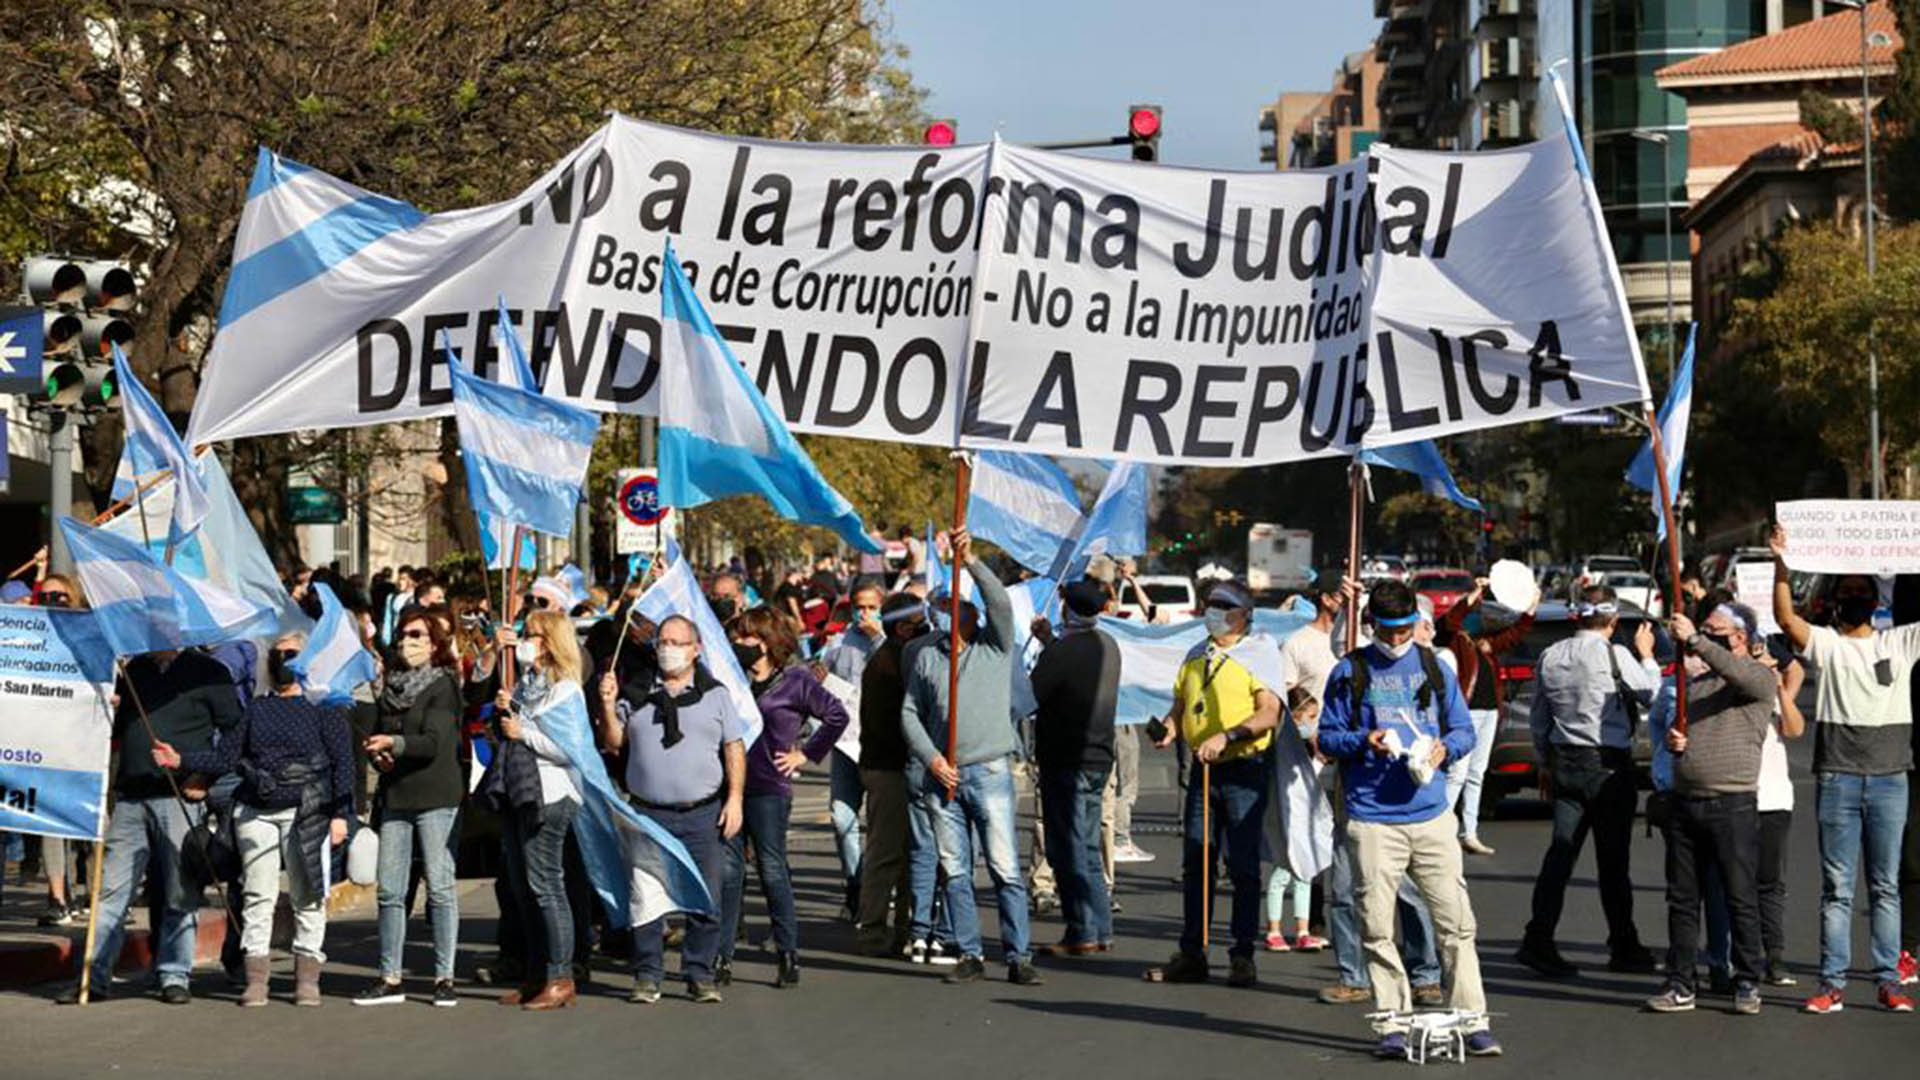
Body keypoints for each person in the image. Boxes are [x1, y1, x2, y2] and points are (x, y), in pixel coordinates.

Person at [1317, 579, 1500, 1058]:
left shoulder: (1434, 667)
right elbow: (1327, 737)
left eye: (1406, 630)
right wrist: (1364, 740)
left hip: (1432, 815)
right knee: (1377, 927)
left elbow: (1463, 729)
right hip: (1373, 818)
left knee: (1457, 924)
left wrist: (1446, 749)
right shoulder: (1348, 671)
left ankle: (1472, 1020)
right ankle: (1392, 1025)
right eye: (1389, 631)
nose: (1398, 640)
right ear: (1371, 624)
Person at [1769, 525, 1917, 1013]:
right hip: (1837, 780)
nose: (1854, 597)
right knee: (1838, 889)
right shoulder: (1827, 645)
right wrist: (1782, 565)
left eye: (1862, 591)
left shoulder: (1901, 644)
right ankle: (1832, 985)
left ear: (1876, 601)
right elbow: (1786, 618)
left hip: (1891, 780)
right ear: (1834, 601)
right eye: (1847, 591)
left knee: (1886, 886)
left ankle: (1887, 979)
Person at [166, 632, 354, 1006]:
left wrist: (341, 815)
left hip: (309, 812)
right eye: (278, 654)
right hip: (255, 812)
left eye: (293, 654)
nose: (284, 660)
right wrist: (181, 760)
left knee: (308, 896)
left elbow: (343, 764)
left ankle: (307, 979)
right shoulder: (257, 709)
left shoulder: (326, 708)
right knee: (258, 895)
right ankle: (256, 979)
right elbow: (225, 758)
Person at [58, 648, 243, 1005]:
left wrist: (205, 774)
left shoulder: (209, 671)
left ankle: (174, 974)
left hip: (179, 797)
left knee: (179, 890)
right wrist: (106, 707)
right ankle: (93, 978)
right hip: (129, 798)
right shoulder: (132, 671)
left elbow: (236, 734)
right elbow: (110, 727)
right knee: (111, 891)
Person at [900, 527, 1040, 986]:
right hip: (944, 776)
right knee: (955, 868)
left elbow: (1000, 602)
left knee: (1004, 867)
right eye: (938, 607)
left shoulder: (995, 647)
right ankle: (970, 951)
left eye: (949, 607)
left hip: (991, 770)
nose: (940, 613)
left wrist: (972, 561)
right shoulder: (926, 658)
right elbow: (910, 712)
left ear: (970, 614)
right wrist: (931, 758)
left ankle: (1018, 955)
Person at [1515, 585, 1660, 978]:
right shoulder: (1617, 654)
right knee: (1613, 863)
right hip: (1607, 762)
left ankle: (1538, 937)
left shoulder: (1551, 655)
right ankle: (1623, 944)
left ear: (1576, 618)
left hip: (1565, 760)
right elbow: (1654, 698)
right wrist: (1647, 657)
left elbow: (1539, 716)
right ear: (1612, 622)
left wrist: (1544, 759)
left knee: (1560, 855)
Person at [599, 614, 745, 1005]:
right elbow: (614, 742)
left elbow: (734, 747)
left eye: (677, 642)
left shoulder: (715, 695)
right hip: (648, 813)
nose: (668, 648)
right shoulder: (639, 690)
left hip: (702, 813)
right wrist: (609, 705)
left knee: (706, 896)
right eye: (663, 640)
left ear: (695, 650)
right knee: (647, 898)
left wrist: (735, 799)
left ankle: (699, 972)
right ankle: (648, 973)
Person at [1144, 581, 1281, 988]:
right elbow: (1182, 705)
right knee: (1197, 864)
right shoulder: (1195, 654)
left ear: (1245, 615)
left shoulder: (1259, 655)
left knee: (1243, 869)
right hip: (1204, 775)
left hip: (1243, 770)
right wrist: (1169, 727)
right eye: (1210, 604)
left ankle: (1242, 955)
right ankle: (1192, 953)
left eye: (1224, 605)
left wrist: (1230, 735)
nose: (1213, 611)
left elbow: (1270, 712)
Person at [1642, 605, 1776, 1016]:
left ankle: (1748, 979)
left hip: (1732, 803)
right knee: (1683, 899)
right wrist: (1676, 740)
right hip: (1687, 802)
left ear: (1740, 637)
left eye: (1715, 632)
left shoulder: (1756, 677)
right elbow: (1678, 729)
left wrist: (1697, 641)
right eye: (1703, 631)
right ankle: (1682, 981)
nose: (1704, 637)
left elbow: (1740, 674)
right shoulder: (1696, 683)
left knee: (1739, 896)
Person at [719, 605, 851, 988]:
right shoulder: (731, 679)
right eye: (737, 636)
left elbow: (836, 716)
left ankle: (788, 952)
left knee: (771, 869)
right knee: (729, 873)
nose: (740, 643)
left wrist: (805, 754)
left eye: (748, 637)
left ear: (768, 641)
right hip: (728, 786)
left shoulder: (795, 680)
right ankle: (721, 956)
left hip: (768, 788)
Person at [353, 611, 464, 1008]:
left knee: (440, 887)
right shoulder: (391, 688)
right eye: (402, 635)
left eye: (417, 635)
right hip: (397, 796)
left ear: (434, 644)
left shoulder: (443, 686)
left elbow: (434, 742)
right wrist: (381, 758)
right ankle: (390, 976)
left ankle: (444, 978)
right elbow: (385, 737)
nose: (407, 641)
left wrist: (394, 745)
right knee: (390, 891)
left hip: (436, 797)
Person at [490, 608, 589, 1010]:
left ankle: (560, 975)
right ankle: (535, 974)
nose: (526, 642)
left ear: (553, 643)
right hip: (521, 792)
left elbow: (571, 750)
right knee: (523, 888)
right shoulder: (530, 685)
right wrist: (508, 708)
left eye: (533, 635)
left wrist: (523, 732)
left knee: (546, 886)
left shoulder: (567, 691)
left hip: (551, 795)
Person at [1029, 579, 1121, 956]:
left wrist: (1046, 648)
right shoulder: (1107, 645)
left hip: (1067, 759)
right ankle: (1099, 928)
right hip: (1099, 757)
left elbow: (1032, 693)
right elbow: (1074, 674)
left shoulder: (1063, 652)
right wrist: (1050, 641)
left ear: (1067, 609)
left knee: (1066, 848)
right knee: (1086, 847)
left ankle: (1082, 930)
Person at [1436, 578, 1539, 855]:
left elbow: (1517, 633)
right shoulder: (1456, 641)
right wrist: (1475, 593)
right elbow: (1450, 620)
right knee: (1457, 773)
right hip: (1465, 714)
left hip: (1490, 712)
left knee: (1476, 774)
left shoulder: (1486, 646)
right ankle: (1439, 828)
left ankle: (1468, 832)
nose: (1484, 620)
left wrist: (1531, 606)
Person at [853, 594, 929, 956]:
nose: (925, 627)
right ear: (902, 627)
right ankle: (871, 927)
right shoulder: (890, 664)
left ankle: (903, 926)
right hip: (890, 769)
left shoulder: (900, 658)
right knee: (886, 852)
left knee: (906, 852)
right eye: (918, 621)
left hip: (898, 767)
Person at [821, 582, 886, 919]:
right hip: (847, 743)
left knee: (881, 823)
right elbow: (825, 679)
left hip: (881, 746)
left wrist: (877, 637)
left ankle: (879, 888)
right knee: (842, 816)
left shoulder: (891, 641)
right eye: (859, 607)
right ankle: (855, 884)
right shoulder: (840, 642)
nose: (864, 614)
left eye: (871, 607)